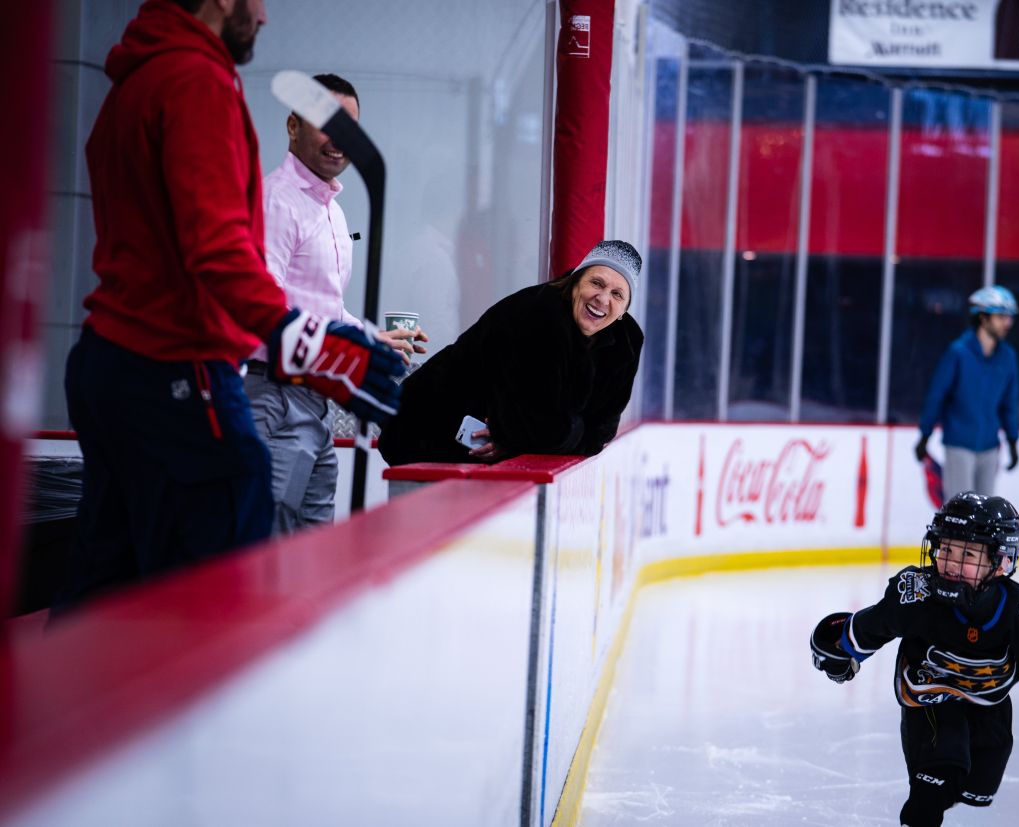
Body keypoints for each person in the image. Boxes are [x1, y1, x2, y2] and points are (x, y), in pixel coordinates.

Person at [56, 0, 402, 611]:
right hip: (177, 364)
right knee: (229, 564)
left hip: (112, 360)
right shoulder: (197, 80)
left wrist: (354, 342)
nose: (264, 17)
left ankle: (86, 702)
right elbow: (221, 258)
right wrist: (324, 353)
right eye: (256, 1)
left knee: (109, 581)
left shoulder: (137, 79)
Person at [810, 493, 1019, 827]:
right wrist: (839, 648)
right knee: (935, 784)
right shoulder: (916, 594)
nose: (950, 563)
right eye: (946, 548)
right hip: (927, 694)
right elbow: (872, 626)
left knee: (977, 786)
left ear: (1000, 562)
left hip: (989, 703)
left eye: (968, 554)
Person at [248, 72, 426, 533]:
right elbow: (261, 306)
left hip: (314, 397)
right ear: (293, 126)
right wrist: (346, 349)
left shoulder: (332, 209)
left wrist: (369, 337)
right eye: (327, 123)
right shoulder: (276, 202)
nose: (339, 140)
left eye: (350, 128)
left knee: (310, 545)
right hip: (273, 392)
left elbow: (321, 303)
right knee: (269, 543)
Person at [378, 240, 644, 464]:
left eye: (617, 294)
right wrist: (540, 435)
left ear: (624, 309)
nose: (603, 298)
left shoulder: (627, 341)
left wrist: (521, 439)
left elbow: (601, 431)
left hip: (479, 451)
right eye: (596, 283)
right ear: (574, 282)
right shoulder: (539, 314)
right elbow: (537, 425)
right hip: (424, 427)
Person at [915, 286, 1019, 499]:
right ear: (983, 317)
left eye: (1009, 317)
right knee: (959, 510)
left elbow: (1010, 403)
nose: (1007, 323)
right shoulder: (958, 353)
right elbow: (937, 395)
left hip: (989, 447)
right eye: (1001, 316)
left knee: (985, 514)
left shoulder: (1007, 357)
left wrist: (1012, 441)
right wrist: (925, 435)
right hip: (959, 444)